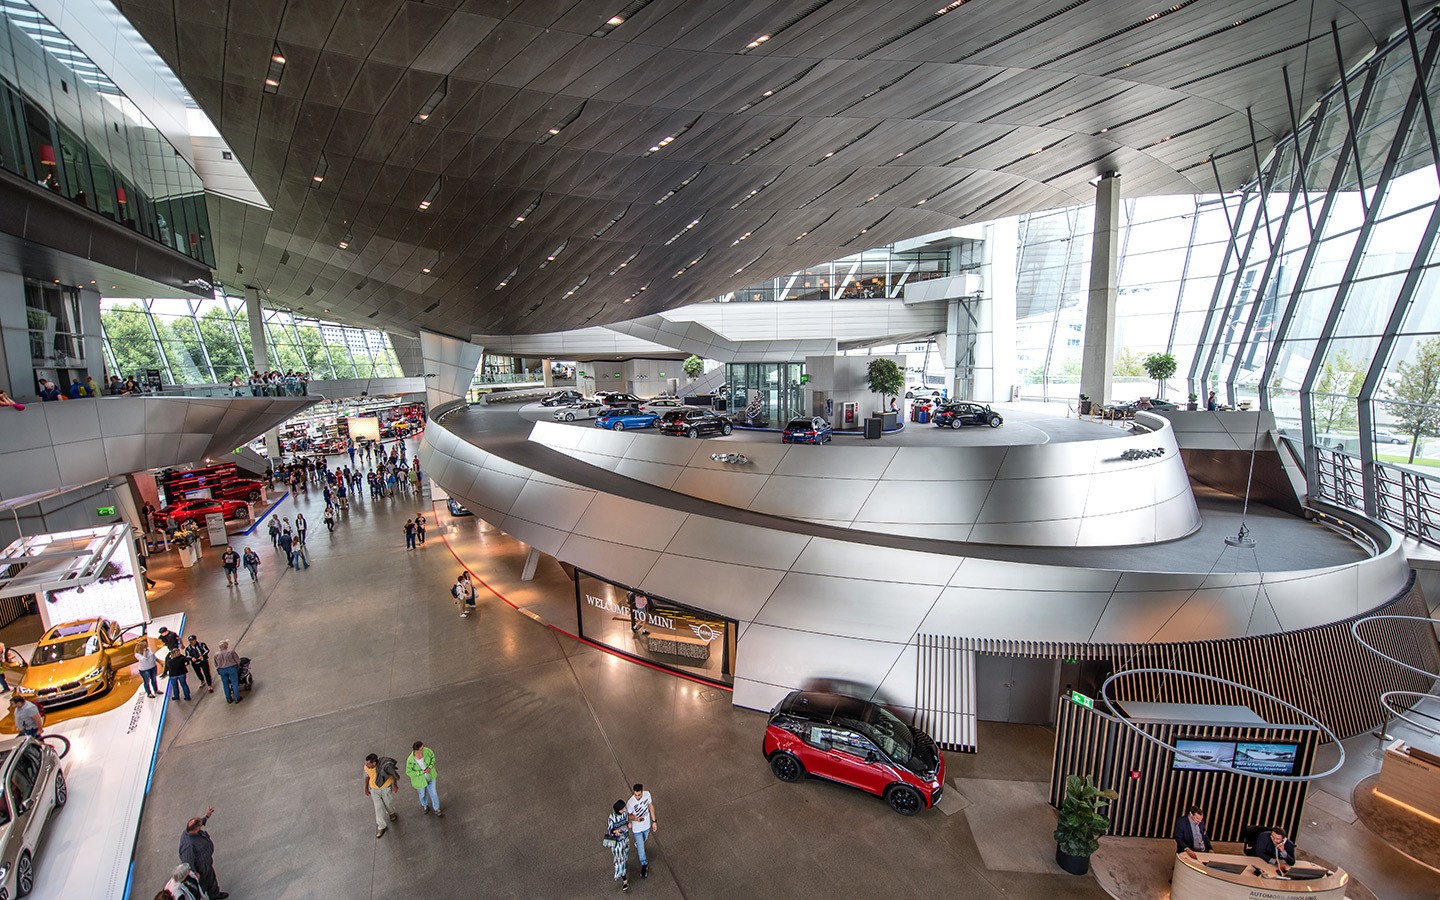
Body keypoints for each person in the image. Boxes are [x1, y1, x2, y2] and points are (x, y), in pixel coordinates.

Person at [179, 807, 227, 899]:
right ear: (196, 828)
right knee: (202, 885)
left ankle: (215, 895)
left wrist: (207, 816)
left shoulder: (192, 830)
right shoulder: (188, 844)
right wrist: (194, 873)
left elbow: (200, 821)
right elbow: (187, 861)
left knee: (211, 879)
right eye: (200, 825)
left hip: (206, 863)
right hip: (200, 869)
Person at [363, 752, 401, 838]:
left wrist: (395, 785)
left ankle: (391, 813)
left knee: (388, 803)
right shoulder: (366, 767)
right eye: (366, 763)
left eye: (368, 764)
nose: (366, 765)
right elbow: (367, 777)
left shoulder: (385, 766)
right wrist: (366, 788)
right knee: (378, 807)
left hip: (385, 787)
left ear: (374, 763)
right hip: (374, 789)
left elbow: (393, 774)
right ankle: (381, 826)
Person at [626, 783, 657, 879]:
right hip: (637, 828)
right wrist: (635, 819)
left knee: (645, 838)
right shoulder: (630, 803)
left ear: (642, 792)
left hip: (646, 825)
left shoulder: (647, 795)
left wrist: (654, 821)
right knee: (641, 847)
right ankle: (644, 864)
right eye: (635, 795)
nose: (637, 797)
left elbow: (651, 806)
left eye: (639, 795)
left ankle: (639, 844)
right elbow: (628, 815)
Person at [405, 740, 441, 816]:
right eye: (421, 749)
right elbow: (409, 772)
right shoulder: (410, 760)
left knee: (433, 793)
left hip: (430, 776)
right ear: (416, 751)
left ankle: (437, 809)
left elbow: (432, 757)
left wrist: (430, 767)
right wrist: (422, 772)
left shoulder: (427, 751)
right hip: (420, 781)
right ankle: (425, 805)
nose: (424, 749)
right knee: (422, 794)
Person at [604, 799, 632, 892]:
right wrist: (615, 831)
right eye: (622, 809)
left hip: (625, 838)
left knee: (626, 854)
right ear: (618, 810)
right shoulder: (612, 818)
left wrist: (629, 823)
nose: (624, 809)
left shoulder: (625, 812)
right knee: (620, 860)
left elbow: (627, 820)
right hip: (617, 841)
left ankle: (624, 865)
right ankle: (624, 880)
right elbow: (610, 829)